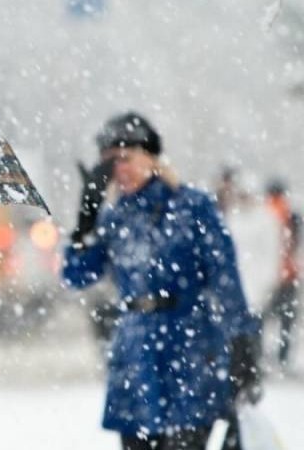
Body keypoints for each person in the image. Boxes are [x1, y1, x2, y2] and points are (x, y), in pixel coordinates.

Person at [62, 112, 262, 450]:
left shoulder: (193, 207)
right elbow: (76, 275)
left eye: (125, 158)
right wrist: (85, 222)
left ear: (151, 158)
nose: (117, 170)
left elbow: (224, 278)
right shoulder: (114, 217)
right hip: (135, 354)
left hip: (190, 349)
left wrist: (242, 344)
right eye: (108, 162)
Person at [263, 179, 301, 369]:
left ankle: (257, 358)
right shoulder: (291, 215)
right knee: (286, 322)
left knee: (261, 319)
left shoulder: (264, 214)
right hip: (288, 276)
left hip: (268, 278)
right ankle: (282, 359)